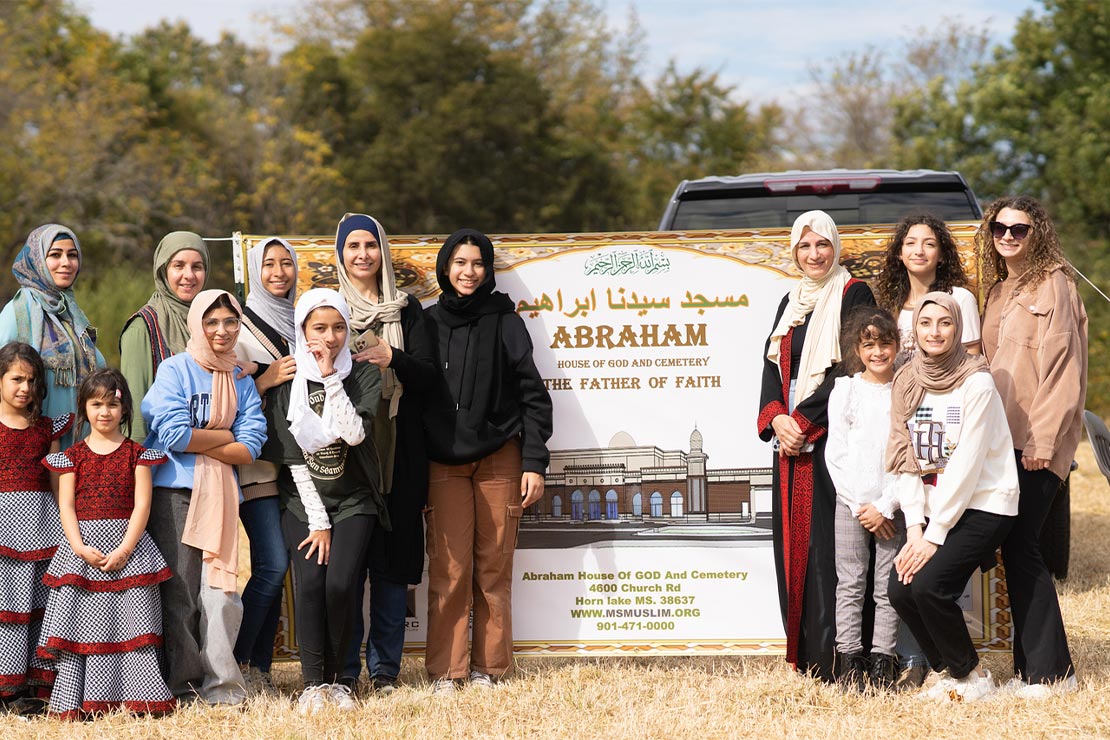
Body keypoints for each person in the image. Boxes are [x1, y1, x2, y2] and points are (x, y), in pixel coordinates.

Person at [423, 228, 553, 694]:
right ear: (445, 267)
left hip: (500, 458)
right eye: (459, 262)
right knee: (450, 569)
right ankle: (446, 672)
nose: (468, 272)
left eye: (477, 263)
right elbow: (416, 393)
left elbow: (533, 396)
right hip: (444, 464)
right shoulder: (427, 322)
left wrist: (534, 462)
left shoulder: (506, 320)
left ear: (488, 268)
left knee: (493, 569)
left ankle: (490, 670)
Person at [756, 210, 875, 681]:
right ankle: (805, 657)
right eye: (804, 247)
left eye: (822, 244)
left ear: (835, 247)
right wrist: (777, 419)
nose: (814, 255)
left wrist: (804, 420)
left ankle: (840, 659)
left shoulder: (853, 293)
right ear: (794, 252)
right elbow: (770, 369)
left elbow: (853, 365)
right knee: (793, 550)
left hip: (831, 442)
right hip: (789, 447)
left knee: (832, 553)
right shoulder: (791, 301)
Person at [886, 293, 1018, 702]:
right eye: (926, 324)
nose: (934, 332)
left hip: (985, 502)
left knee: (929, 586)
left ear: (958, 328)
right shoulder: (906, 381)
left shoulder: (976, 381)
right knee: (901, 588)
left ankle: (973, 677)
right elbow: (903, 457)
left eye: (944, 323)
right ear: (915, 330)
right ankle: (948, 673)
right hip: (933, 509)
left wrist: (934, 533)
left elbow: (967, 463)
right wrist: (913, 528)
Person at [978, 195, 1086, 698]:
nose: (1008, 237)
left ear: (1036, 233)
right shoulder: (999, 291)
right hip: (999, 441)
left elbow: (1064, 371)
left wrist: (1043, 440)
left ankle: (1050, 674)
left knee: (1024, 548)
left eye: (1019, 230)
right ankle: (1033, 669)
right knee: (1015, 549)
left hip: (1034, 444)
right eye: (1000, 228)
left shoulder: (1054, 285)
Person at [259, 288, 383, 714]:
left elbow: (354, 434)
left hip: (354, 499)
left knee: (341, 584)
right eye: (318, 328)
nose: (328, 337)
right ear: (302, 330)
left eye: (337, 328)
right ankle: (314, 684)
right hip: (303, 503)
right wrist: (318, 522)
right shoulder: (287, 382)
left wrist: (331, 376)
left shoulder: (362, 375)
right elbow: (294, 458)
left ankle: (343, 680)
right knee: (310, 584)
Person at [142, 290, 266, 705]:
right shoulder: (174, 370)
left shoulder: (240, 380)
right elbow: (172, 435)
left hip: (221, 495)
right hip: (175, 493)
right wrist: (227, 435)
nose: (222, 330)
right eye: (212, 322)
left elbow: (251, 447)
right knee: (180, 594)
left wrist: (206, 441)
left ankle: (221, 685)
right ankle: (182, 686)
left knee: (219, 592)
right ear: (198, 325)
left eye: (231, 322)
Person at [332, 214, 436, 696]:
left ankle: (386, 671)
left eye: (370, 245)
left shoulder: (407, 310)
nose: (362, 255)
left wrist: (394, 359)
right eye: (352, 245)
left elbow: (431, 377)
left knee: (393, 568)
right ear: (340, 252)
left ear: (383, 252)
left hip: (401, 451)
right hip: (349, 456)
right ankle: (347, 672)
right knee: (350, 567)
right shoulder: (327, 309)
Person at [38, 368, 175, 719]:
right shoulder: (72, 456)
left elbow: (142, 505)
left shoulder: (136, 454)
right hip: (83, 550)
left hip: (129, 548)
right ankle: (83, 699)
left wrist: (126, 549)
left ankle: (137, 697)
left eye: (112, 404)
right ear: (84, 408)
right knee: (85, 624)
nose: (104, 412)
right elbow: (65, 504)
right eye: (96, 404)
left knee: (131, 624)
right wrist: (78, 547)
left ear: (125, 409)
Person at [232, 237, 298, 694]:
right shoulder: (237, 328)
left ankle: (261, 670)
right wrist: (268, 378)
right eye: (268, 263)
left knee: (281, 567)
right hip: (256, 467)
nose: (278, 271)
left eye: (286, 263)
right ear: (255, 269)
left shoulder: (303, 319)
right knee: (272, 565)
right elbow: (225, 403)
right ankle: (237, 663)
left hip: (297, 467)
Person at [824, 307, 902, 691]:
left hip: (893, 505)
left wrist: (886, 505)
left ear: (897, 346)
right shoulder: (846, 390)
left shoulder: (905, 390)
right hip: (852, 503)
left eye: (885, 343)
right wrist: (860, 506)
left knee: (888, 585)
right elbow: (835, 454)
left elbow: (909, 455)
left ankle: (883, 660)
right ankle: (850, 660)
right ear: (858, 347)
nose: (877, 352)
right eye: (869, 344)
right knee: (851, 582)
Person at [0, 343, 70, 710]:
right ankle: (6, 688)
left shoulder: (46, 429)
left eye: (31, 380)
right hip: (4, 532)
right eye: (15, 379)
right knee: (7, 610)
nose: (24, 387)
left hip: (43, 528)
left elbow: (60, 487)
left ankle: (36, 689)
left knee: (40, 610)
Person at [0, 224, 105, 448]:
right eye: (55, 255)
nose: (66, 263)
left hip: (82, 448)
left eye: (72, 255)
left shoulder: (73, 315)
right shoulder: (19, 312)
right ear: (37, 260)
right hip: (32, 453)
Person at [120, 232, 210, 443]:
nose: (189, 275)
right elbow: (135, 413)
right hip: (160, 459)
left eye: (197, 267)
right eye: (178, 266)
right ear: (163, 270)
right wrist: (141, 467)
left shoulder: (212, 323)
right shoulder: (143, 326)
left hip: (209, 455)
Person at [874, 211, 981, 362]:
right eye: (911, 243)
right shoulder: (889, 303)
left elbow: (972, 355)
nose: (919, 252)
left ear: (942, 255)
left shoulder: (960, 298)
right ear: (900, 252)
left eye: (929, 244)